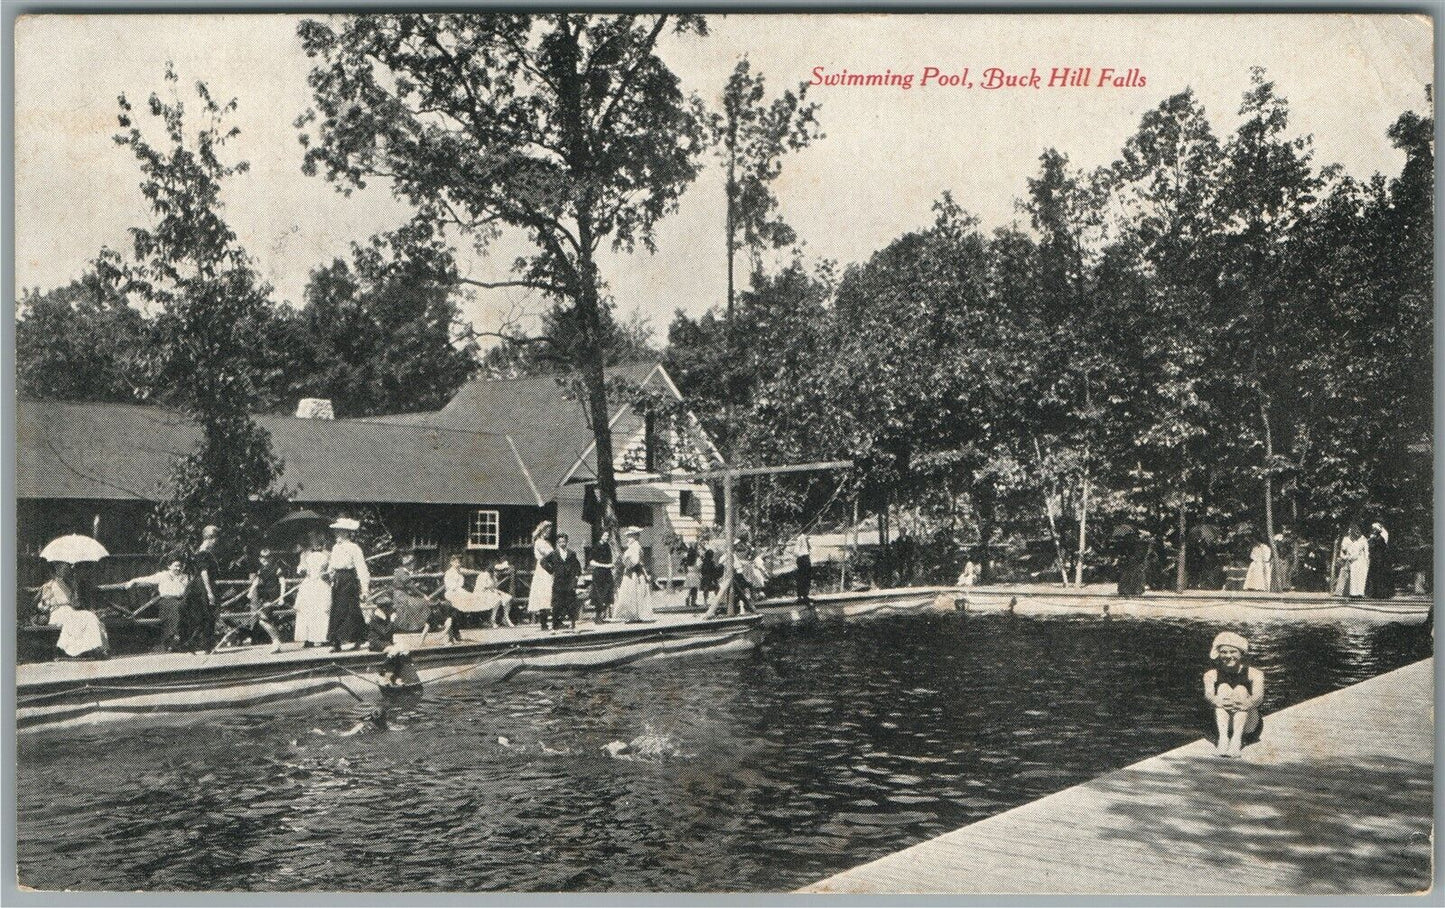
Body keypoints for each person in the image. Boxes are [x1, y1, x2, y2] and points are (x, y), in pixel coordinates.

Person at [1203, 631, 1265, 758]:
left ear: (1241, 653)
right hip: (1221, 723)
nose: (1228, 656)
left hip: (1248, 725)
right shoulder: (1211, 674)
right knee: (1223, 688)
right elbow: (1208, 695)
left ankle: (1236, 741)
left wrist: (1244, 703)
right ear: (1219, 654)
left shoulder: (1255, 673)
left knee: (1241, 689)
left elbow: (1259, 698)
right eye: (1224, 652)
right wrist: (1218, 701)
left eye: (1233, 652)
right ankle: (1223, 739)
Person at [122, 556, 191, 651]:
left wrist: (180, 582)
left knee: (185, 609)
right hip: (166, 600)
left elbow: (185, 591)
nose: (178, 568)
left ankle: (182, 641)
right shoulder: (163, 575)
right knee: (176, 609)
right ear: (169, 566)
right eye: (176, 566)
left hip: (180, 600)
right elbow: (147, 579)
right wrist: (133, 581)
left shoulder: (184, 577)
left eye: (180, 566)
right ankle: (171, 640)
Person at [326, 517, 370, 652]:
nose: (337, 534)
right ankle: (336, 642)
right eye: (336, 531)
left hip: (349, 580)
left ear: (346, 533)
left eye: (340, 531)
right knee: (336, 609)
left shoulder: (354, 548)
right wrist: (330, 572)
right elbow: (332, 565)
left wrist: (365, 589)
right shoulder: (335, 548)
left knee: (350, 609)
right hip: (337, 580)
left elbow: (362, 568)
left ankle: (357, 639)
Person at [184, 525, 222, 652]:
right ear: (211, 537)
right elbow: (204, 573)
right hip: (203, 586)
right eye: (216, 538)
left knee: (207, 615)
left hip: (202, 585)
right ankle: (202, 644)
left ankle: (204, 644)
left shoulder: (202, 551)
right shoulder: (203, 553)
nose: (217, 541)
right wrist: (209, 592)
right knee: (208, 614)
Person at [293, 531, 333, 647]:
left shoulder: (328, 554)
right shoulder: (305, 554)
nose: (315, 543)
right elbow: (301, 567)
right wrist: (302, 570)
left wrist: (327, 573)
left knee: (322, 610)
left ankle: (323, 637)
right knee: (307, 610)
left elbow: (331, 568)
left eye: (317, 540)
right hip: (309, 583)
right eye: (312, 540)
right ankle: (307, 638)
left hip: (321, 583)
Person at [47, 595, 109, 660]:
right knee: (75, 618)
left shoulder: (68, 590)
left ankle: (94, 646)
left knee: (89, 616)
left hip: (70, 610)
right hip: (58, 612)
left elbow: (75, 603)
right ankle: (79, 648)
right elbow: (42, 607)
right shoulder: (47, 590)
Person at [614, 528, 654, 622]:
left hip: (633, 573)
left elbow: (636, 561)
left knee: (633, 592)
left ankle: (634, 615)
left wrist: (628, 563)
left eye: (630, 536)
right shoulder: (632, 546)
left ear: (636, 537)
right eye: (628, 536)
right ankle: (632, 615)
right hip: (631, 571)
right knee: (630, 593)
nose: (628, 538)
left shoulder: (636, 546)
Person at [545, 533, 584, 631]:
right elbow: (543, 562)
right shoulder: (554, 554)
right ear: (557, 543)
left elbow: (578, 567)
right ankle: (554, 627)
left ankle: (573, 625)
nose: (562, 544)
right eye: (560, 542)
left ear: (567, 542)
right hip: (558, 583)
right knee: (557, 605)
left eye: (564, 542)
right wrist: (551, 570)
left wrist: (575, 577)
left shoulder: (571, 553)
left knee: (571, 604)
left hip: (569, 583)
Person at [390, 552, 431, 633]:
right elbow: (412, 588)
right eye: (412, 564)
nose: (413, 566)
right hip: (401, 596)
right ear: (409, 564)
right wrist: (423, 595)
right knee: (420, 602)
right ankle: (415, 626)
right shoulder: (403, 574)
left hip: (399, 594)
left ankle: (411, 626)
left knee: (414, 602)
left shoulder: (400, 571)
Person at [527, 521, 555, 626]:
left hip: (549, 569)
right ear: (542, 531)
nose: (548, 533)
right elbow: (549, 555)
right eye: (547, 530)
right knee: (544, 593)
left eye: (549, 531)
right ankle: (543, 623)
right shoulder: (539, 542)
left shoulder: (547, 542)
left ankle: (549, 620)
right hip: (543, 569)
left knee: (549, 594)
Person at [474, 558, 513, 628]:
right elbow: (483, 587)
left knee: (508, 597)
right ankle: (492, 620)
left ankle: (506, 618)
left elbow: (494, 588)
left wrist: (496, 591)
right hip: (480, 593)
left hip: (490, 592)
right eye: (497, 571)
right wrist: (494, 591)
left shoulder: (494, 577)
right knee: (497, 599)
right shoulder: (483, 575)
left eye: (499, 571)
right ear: (492, 570)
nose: (498, 573)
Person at [1337, 523, 1369, 598]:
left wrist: (1367, 560)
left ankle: (1360, 592)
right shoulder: (1352, 541)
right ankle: (1354, 592)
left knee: (1360, 577)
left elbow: (1364, 552)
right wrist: (1347, 557)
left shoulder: (1362, 540)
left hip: (1360, 560)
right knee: (1354, 576)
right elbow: (1348, 551)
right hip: (1354, 561)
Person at [588, 540, 615, 623]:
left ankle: (602, 616)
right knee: (599, 595)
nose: (606, 538)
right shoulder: (596, 546)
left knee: (607, 594)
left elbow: (611, 560)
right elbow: (591, 562)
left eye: (608, 536)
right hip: (599, 574)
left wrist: (611, 565)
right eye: (604, 535)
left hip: (607, 574)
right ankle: (598, 616)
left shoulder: (608, 546)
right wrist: (604, 566)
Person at [1366, 522, 1393, 600]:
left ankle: (1381, 593)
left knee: (1380, 576)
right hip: (1375, 558)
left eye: (1374, 529)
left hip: (1380, 559)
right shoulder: (1376, 537)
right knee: (1375, 576)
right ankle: (1375, 592)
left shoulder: (1381, 537)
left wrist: (1372, 540)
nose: (1373, 530)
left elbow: (1378, 546)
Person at [793, 531, 813, 608]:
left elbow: (810, 549)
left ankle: (805, 595)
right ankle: (801, 596)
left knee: (807, 577)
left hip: (806, 558)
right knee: (802, 577)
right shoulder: (800, 539)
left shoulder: (806, 539)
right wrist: (801, 557)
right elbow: (795, 552)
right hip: (802, 558)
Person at [682, 541, 703, 610]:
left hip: (689, 574)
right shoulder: (697, 560)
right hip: (695, 574)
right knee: (695, 589)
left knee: (690, 588)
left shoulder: (687, 560)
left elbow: (685, 568)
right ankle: (693, 602)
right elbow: (700, 567)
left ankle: (687, 600)